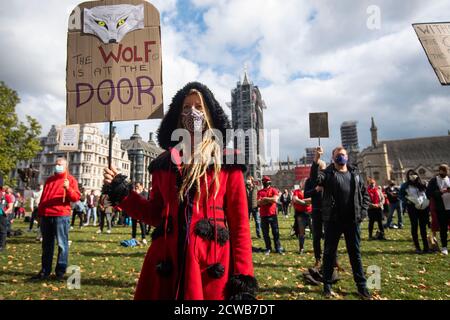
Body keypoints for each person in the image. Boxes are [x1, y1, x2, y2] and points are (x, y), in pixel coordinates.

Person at [103, 82, 256, 300]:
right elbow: (155, 215)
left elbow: (240, 226)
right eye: (186, 107)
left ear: (209, 114)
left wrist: (243, 281)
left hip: (210, 267)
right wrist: (123, 193)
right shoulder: (163, 164)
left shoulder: (228, 161)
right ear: (178, 115)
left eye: (198, 106)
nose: (192, 111)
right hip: (167, 263)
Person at [311, 146, 371, 299]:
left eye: (343, 155)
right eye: (338, 155)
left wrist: (362, 213)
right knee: (329, 254)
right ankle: (327, 285)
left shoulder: (355, 174)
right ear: (333, 158)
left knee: (355, 254)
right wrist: (316, 161)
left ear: (347, 157)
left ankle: (362, 286)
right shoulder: (328, 174)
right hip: (333, 221)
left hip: (352, 221)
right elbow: (314, 180)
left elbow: (365, 195)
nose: (341, 157)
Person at [32, 157, 81, 280]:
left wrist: (68, 188)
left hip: (61, 215)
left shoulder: (70, 180)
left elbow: (75, 198)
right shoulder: (49, 180)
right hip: (46, 216)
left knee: (62, 244)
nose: (57, 166)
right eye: (56, 164)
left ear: (66, 166)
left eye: (60, 164)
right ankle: (45, 271)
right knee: (47, 245)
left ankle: (60, 271)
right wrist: (40, 212)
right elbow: (44, 198)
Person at [400, 169, 430, 254]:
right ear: (408, 176)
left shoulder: (422, 184)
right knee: (414, 226)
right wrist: (407, 201)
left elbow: (427, 193)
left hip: (423, 207)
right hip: (412, 207)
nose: (412, 176)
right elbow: (401, 195)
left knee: (423, 227)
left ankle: (426, 247)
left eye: (413, 174)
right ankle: (417, 247)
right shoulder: (405, 185)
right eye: (410, 174)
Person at [304, 160, 326, 268]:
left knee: (330, 236)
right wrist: (315, 190)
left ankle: (333, 259)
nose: (322, 172)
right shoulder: (310, 181)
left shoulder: (328, 179)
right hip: (316, 210)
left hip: (328, 210)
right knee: (316, 236)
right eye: (320, 169)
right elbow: (305, 194)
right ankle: (318, 259)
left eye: (323, 169)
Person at [426, 164, 450, 255]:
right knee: (443, 228)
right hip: (441, 208)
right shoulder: (434, 181)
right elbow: (429, 193)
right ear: (439, 171)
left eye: (446, 170)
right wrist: (441, 191)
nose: (444, 172)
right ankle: (444, 247)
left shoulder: (449, 179)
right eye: (442, 170)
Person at [257, 176, 283, 255]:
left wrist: (264, 199)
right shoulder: (260, 191)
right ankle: (268, 248)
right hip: (263, 215)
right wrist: (269, 200)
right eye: (265, 181)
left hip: (272, 214)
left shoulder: (274, 190)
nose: (266, 183)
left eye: (267, 181)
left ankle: (278, 248)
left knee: (275, 232)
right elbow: (258, 202)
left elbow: (275, 200)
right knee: (265, 233)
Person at [292, 185, 312, 254]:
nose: (305, 184)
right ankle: (301, 248)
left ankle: (317, 249)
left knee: (314, 231)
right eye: (303, 182)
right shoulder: (296, 191)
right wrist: (305, 202)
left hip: (310, 213)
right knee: (301, 232)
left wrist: (301, 201)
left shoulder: (310, 191)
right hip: (300, 214)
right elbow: (295, 200)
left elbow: (312, 200)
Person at [0, 186, 15, 252]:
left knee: (2, 230)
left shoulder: (8, 196)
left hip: (2, 215)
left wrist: (4, 213)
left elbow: (10, 207)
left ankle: (2, 246)